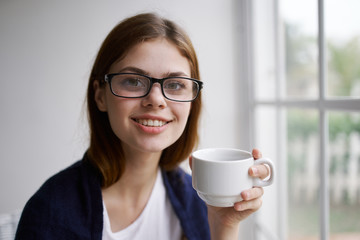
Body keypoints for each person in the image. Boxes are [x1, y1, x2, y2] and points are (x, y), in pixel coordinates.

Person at [15, 12, 269, 240]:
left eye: (175, 84)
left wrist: (224, 225)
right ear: (100, 96)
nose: (156, 100)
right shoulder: (50, 210)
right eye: (134, 81)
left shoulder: (195, 201)